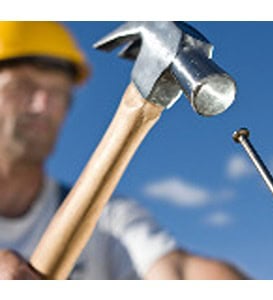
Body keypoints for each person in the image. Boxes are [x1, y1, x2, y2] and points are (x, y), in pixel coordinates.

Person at [0, 21, 248, 280]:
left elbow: (178, 272)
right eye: (22, 86)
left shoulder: (110, 219)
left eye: (58, 92)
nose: (43, 105)